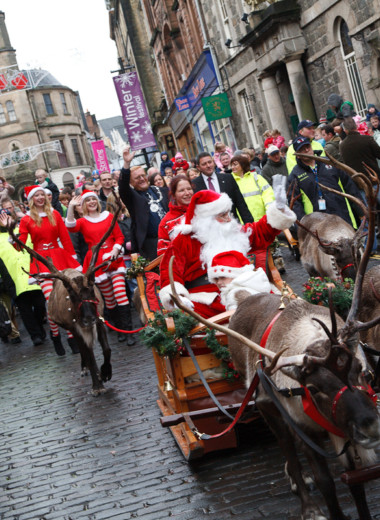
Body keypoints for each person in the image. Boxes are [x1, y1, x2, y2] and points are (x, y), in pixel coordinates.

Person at [159, 188, 296, 318]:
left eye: (228, 214)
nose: (229, 219)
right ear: (207, 220)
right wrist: (179, 298)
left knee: (277, 305)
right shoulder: (184, 240)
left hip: (243, 285)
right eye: (223, 215)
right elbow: (169, 272)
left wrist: (278, 211)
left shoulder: (230, 229)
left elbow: (258, 232)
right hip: (207, 296)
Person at [0, 185, 82, 355]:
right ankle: (55, 335)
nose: (40, 198)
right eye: (36, 195)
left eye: (42, 195)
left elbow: (65, 238)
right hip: (41, 261)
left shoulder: (55, 214)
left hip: (59, 258)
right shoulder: (27, 219)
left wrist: (72, 258)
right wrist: (9, 230)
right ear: (31, 199)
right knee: (49, 300)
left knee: (65, 299)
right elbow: (19, 245)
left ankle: (71, 336)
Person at [66, 190, 135, 344]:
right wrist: (70, 207)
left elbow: (119, 236)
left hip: (114, 259)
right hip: (97, 262)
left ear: (97, 201)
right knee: (109, 300)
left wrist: (115, 250)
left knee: (120, 295)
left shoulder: (108, 216)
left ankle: (129, 331)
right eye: (88, 200)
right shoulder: (83, 221)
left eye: (93, 199)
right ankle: (120, 332)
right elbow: (70, 226)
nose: (91, 202)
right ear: (83, 204)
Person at [286, 136, 362, 228]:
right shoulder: (295, 175)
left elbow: (350, 186)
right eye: (302, 149)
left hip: (342, 216)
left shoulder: (330, 162)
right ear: (297, 155)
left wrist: (361, 210)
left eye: (308, 147)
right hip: (318, 224)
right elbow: (295, 205)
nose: (306, 150)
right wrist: (304, 228)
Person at [119, 147, 169, 261]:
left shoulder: (161, 190)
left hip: (172, 237)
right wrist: (127, 163)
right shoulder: (132, 197)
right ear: (131, 182)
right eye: (137, 178)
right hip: (152, 244)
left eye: (143, 175)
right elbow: (122, 186)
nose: (141, 179)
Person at [0, 224, 46, 346]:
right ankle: (35, 335)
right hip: (13, 279)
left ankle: (39, 327)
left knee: (40, 304)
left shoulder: (22, 230)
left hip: (32, 274)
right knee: (25, 310)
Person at [192, 152, 254, 224]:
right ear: (198, 167)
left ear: (214, 163)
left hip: (232, 225)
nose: (208, 165)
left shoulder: (228, 178)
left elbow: (241, 204)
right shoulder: (194, 185)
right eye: (204, 164)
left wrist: (250, 226)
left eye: (210, 162)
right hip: (210, 229)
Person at [207, 250, 272, 310]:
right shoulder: (254, 286)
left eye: (223, 277)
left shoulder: (234, 294)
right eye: (216, 279)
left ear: (236, 275)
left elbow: (238, 321)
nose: (219, 282)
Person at [230, 154, 274, 221]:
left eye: (235, 164)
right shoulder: (230, 180)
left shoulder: (256, 177)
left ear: (243, 165)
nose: (232, 167)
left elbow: (268, 194)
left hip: (262, 220)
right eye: (232, 165)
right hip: (243, 223)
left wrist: (269, 209)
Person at [157, 175, 193, 256]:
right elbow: (163, 254)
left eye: (189, 189)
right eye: (181, 190)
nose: (187, 193)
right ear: (173, 195)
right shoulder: (166, 222)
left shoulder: (203, 210)